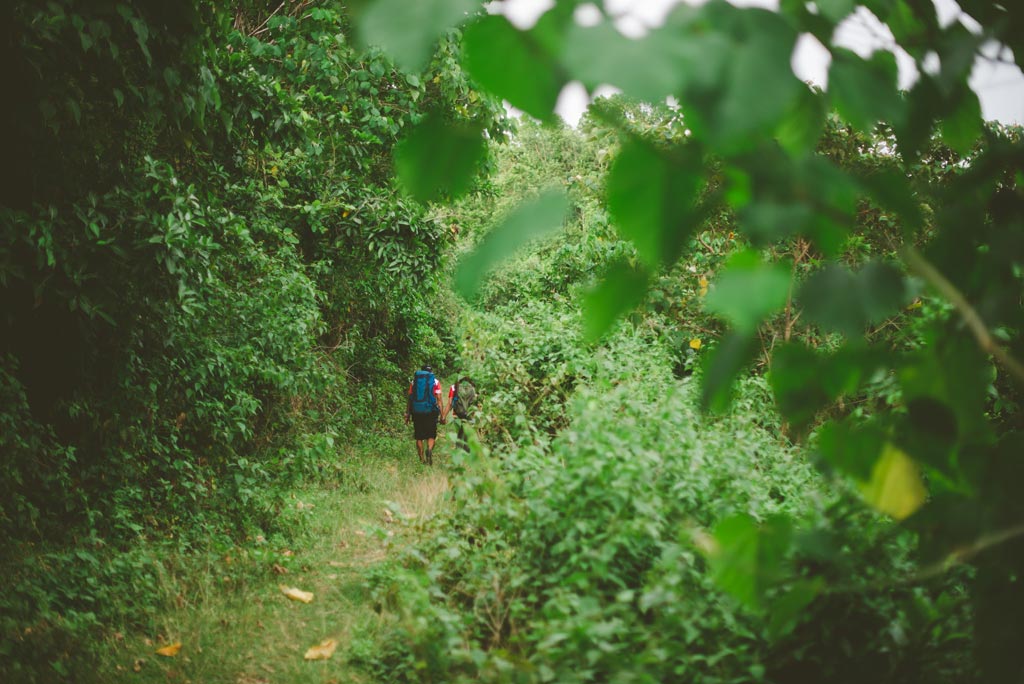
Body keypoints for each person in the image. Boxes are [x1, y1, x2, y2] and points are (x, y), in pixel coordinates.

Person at [405, 364, 442, 465]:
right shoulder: (435, 381)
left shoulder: (414, 381)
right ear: (431, 372)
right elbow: (438, 398)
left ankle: (422, 460)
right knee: (431, 435)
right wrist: (442, 414)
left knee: (419, 437)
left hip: (416, 411)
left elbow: (410, 399)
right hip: (430, 411)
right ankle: (429, 449)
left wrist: (407, 413)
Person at [441, 376, 475, 453]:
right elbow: (474, 402)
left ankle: (459, 449)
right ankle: (467, 450)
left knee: (460, 432)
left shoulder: (454, 387)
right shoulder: (472, 387)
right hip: (469, 413)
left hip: (458, 414)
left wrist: (443, 416)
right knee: (466, 432)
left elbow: (449, 403)